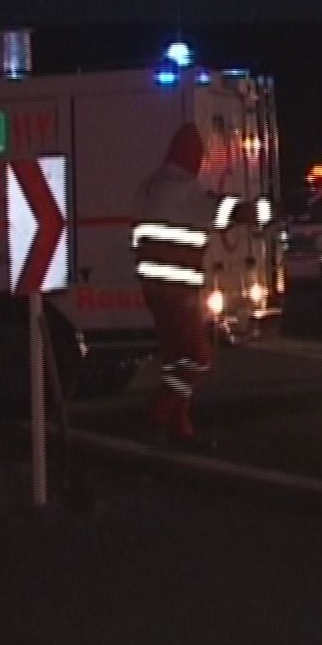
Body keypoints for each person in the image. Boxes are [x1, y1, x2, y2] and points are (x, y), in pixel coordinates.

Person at [131, 123, 265, 447]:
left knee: (175, 360)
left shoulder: (149, 186)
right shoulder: (182, 188)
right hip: (178, 289)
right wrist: (260, 210)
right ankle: (161, 409)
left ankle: (180, 427)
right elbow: (222, 211)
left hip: (153, 289)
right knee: (199, 358)